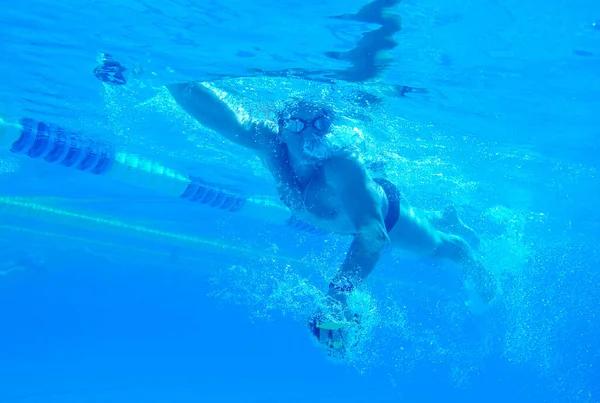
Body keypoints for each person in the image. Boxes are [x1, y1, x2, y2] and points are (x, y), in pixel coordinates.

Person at [167, 82, 496, 356]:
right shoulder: (271, 146)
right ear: (281, 129)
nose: (309, 133)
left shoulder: (341, 166)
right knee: (419, 220)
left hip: (386, 216)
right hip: (350, 209)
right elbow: (214, 112)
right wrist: (168, 75)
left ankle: (468, 253)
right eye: (296, 124)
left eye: (320, 123)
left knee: (439, 247)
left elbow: (373, 233)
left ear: (331, 124)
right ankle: (444, 216)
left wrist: (338, 293)